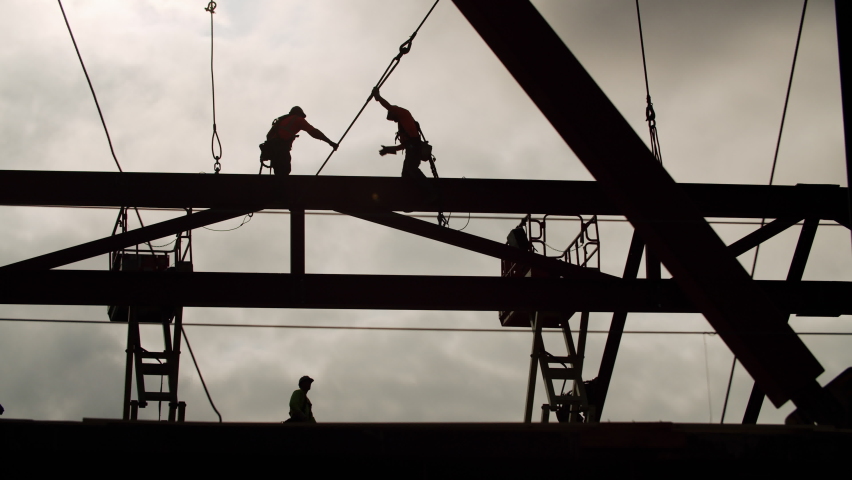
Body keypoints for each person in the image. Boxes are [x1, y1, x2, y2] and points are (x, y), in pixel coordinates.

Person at [371, 88, 436, 202]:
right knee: (405, 174)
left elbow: (389, 107)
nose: (394, 121)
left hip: (415, 147)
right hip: (411, 148)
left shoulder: (403, 113)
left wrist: (378, 97)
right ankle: (410, 197)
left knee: (411, 168)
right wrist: (388, 149)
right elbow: (404, 145)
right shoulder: (402, 125)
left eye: (393, 119)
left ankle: (430, 191)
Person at [260, 106, 338, 175]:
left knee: (279, 172)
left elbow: (268, 136)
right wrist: (330, 142)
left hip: (272, 148)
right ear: (299, 113)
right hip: (281, 149)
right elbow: (314, 132)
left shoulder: (282, 120)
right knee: (284, 170)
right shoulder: (298, 119)